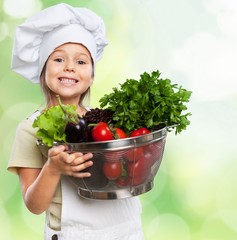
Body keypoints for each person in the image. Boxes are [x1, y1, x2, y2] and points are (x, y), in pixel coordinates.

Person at [8, 3, 144, 240]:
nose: (70, 67)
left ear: (91, 75)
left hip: (127, 230)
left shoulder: (106, 123)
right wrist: (53, 169)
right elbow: (34, 205)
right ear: (43, 68)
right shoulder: (30, 129)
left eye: (81, 62)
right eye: (58, 59)